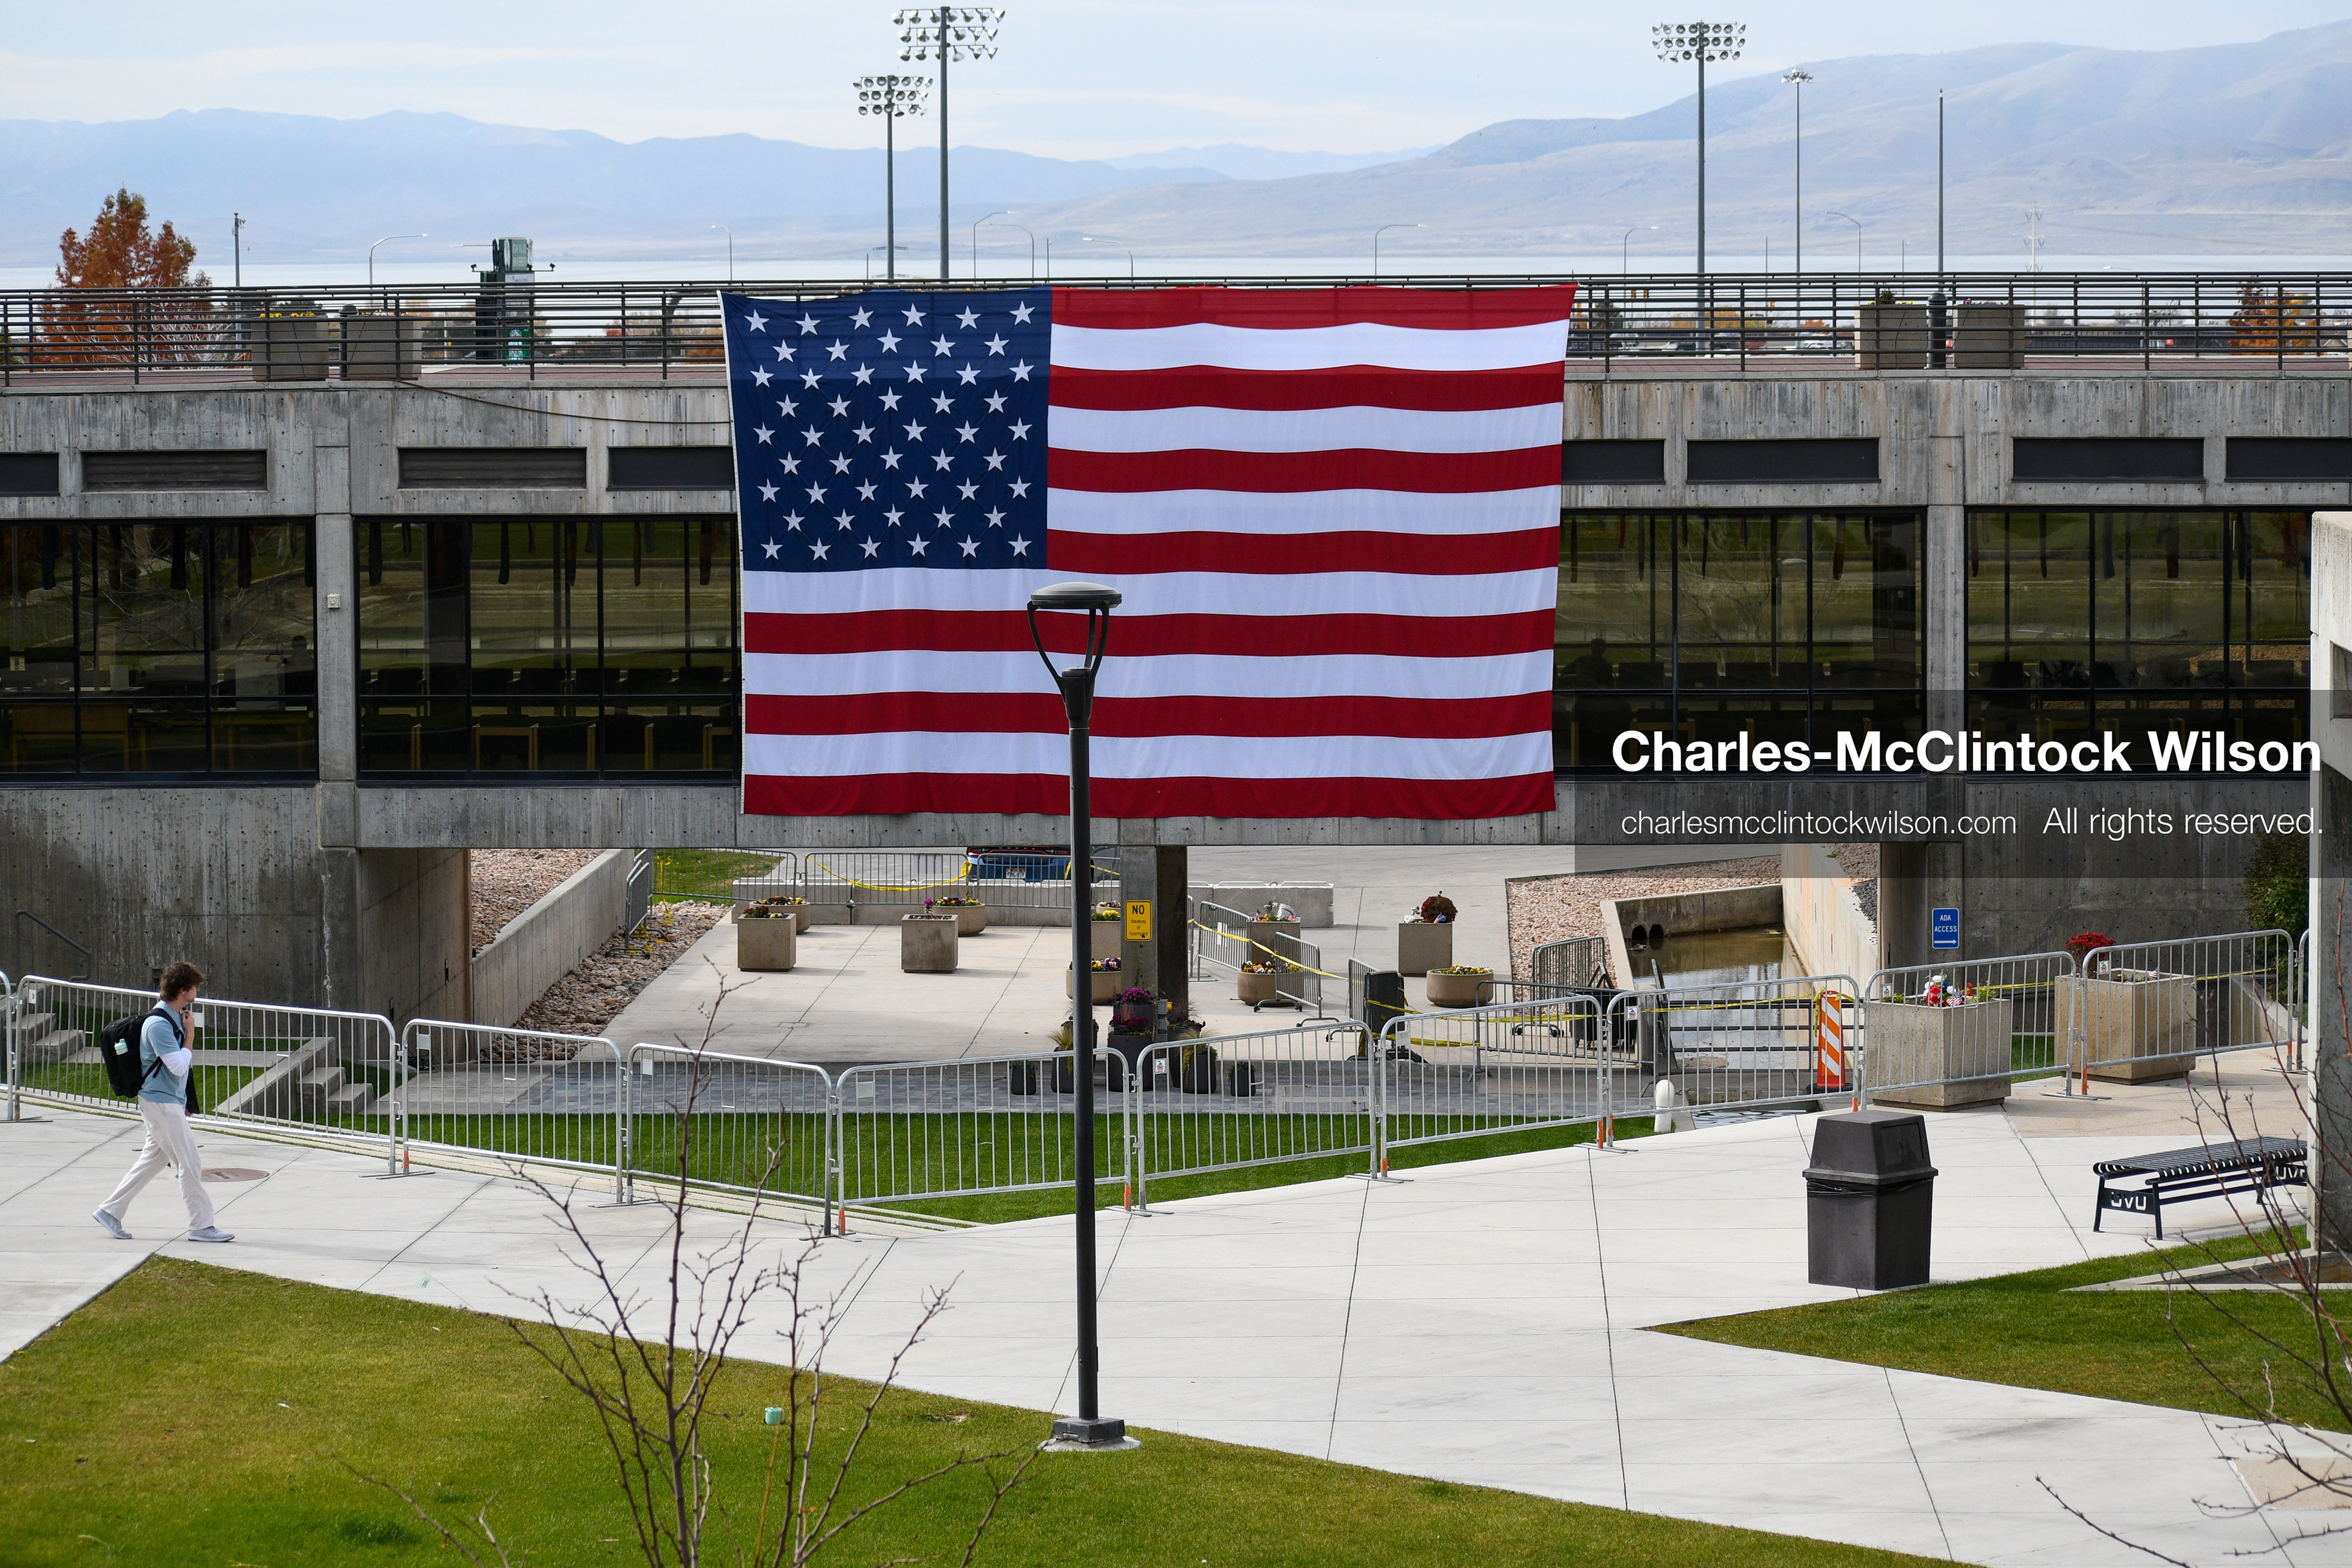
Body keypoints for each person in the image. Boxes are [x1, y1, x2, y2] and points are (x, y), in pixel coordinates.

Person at [92, 961, 233, 1244]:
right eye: (195, 987)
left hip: (166, 1102)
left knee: (153, 1161)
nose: (197, 991)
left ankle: (110, 1211)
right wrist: (190, 1035)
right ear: (183, 990)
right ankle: (201, 1226)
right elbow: (178, 1067)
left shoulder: (173, 1017)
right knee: (189, 1163)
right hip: (161, 1103)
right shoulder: (158, 1024)